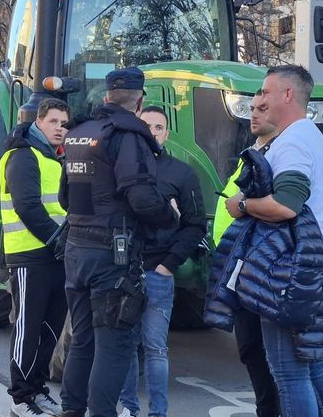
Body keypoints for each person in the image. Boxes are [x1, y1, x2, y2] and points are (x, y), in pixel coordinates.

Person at [59, 67, 180, 417]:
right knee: (114, 346)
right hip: (112, 254)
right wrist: (169, 215)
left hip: (76, 250)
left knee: (82, 340)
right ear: (138, 102)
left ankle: (72, 411)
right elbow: (140, 197)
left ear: (107, 95)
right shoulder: (128, 135)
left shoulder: (79, 132)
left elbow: (66, 198)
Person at [224, 65, 323, 417]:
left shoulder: (291, 144)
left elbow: (285, 205)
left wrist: (241, 205)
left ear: (288, 95)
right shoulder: (314, 139)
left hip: (289, 272)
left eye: (265, 92)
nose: (259, 99)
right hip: (312, 265)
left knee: (289, 373)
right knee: (311, 365)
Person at [118, 106, 206, 417]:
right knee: (126, 345)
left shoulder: (182, 173)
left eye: (159, 127)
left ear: (166, 133)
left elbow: (195, 225)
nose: (153, 132)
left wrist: (169, 263)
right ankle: (128, 409)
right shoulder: (120, 168)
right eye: (147, 126)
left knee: (155, 348)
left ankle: (158, 412)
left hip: (158, 272)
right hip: (124, 271)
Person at [0, 97, 71, 417]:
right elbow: (27, 206)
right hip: (30, 255)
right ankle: (20, 397)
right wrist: (59, 241)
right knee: (28, 328)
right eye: (54, 122)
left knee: (51, 329)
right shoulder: (23, 155)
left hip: (54, 255)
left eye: (64, 123)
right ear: (39, 122)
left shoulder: (54, 158)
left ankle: (37, 389)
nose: (60, 128)